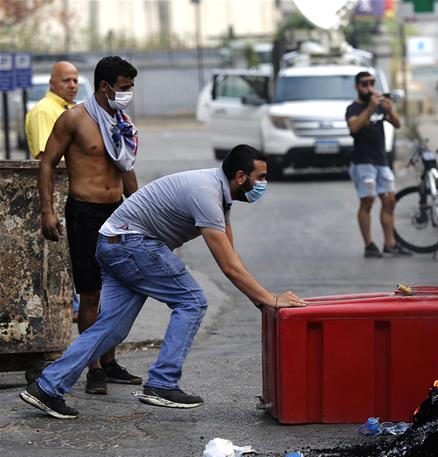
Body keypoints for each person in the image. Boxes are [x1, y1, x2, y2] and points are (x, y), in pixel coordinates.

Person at [20, 145, 306, 419]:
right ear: (241, 177)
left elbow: (231, 258)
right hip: (131, 244)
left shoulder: (220, 196)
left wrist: (259, 299)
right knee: (192, 300)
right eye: (261, 178)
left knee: (111, 328)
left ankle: (47, 387)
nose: (264, 184)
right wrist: (271, 298)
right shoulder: (207, 193)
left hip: (114, 242)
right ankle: (162, 382)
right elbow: (229, 267)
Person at [38, 56, 142, 396]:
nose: (128, 94)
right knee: (91, 294)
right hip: (85, 213)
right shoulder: (74, 120)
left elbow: (126, 169)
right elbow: (48, 164)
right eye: (124, 88)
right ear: (104, 86)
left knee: (119, 292)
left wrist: (142, 212)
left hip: (117, 213)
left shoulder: (121, 121)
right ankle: (93, 368)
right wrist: (47, 211)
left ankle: (110, 363)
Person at [345, 71, 411, 258]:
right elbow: (355, 128)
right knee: (367, 201)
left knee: (389, 200)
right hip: (363, 161)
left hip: (381, 160)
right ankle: (369, 245)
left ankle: (390, 244)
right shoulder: (353, 109)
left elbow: (397, 124)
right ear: (357, 86)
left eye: (371, 83)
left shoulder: (380, 106)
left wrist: (389, 110)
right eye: (364, 84)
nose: (369, 87)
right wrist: (371, 108)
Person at [25, 61, 79, 159]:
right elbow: (46, 158)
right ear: (52, 84)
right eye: (66, 80)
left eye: (75, 81)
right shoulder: (43, 111)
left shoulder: (69, 108)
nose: (72, 85)